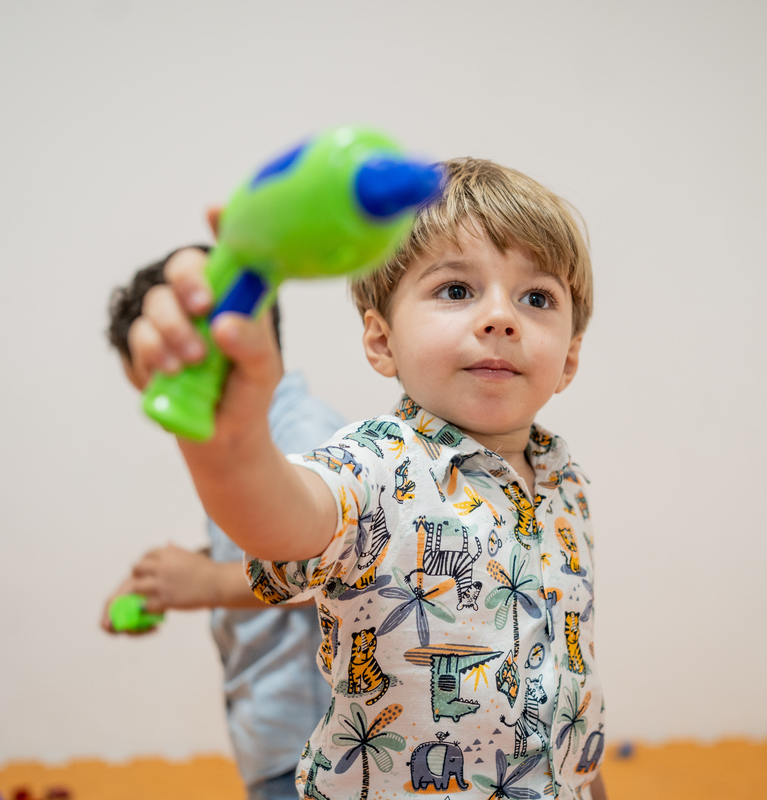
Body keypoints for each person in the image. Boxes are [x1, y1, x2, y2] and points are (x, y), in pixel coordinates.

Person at [129, 159, 608, 799]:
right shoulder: (377, 465)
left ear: (570, 356)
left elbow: (563, 679)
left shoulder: (564, 483)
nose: (501, 318)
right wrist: (231, 445)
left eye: (537, 298)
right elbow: (284, 517)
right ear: (382, 341)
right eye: (457, 290)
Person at [103, 247, 343, 800]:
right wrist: (172, 579)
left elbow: (330, 565)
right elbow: (262, 546)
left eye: (166, 386)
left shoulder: (301, 429)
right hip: (274, 735)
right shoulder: (246, 447)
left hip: (312, 742)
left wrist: (208, 584)